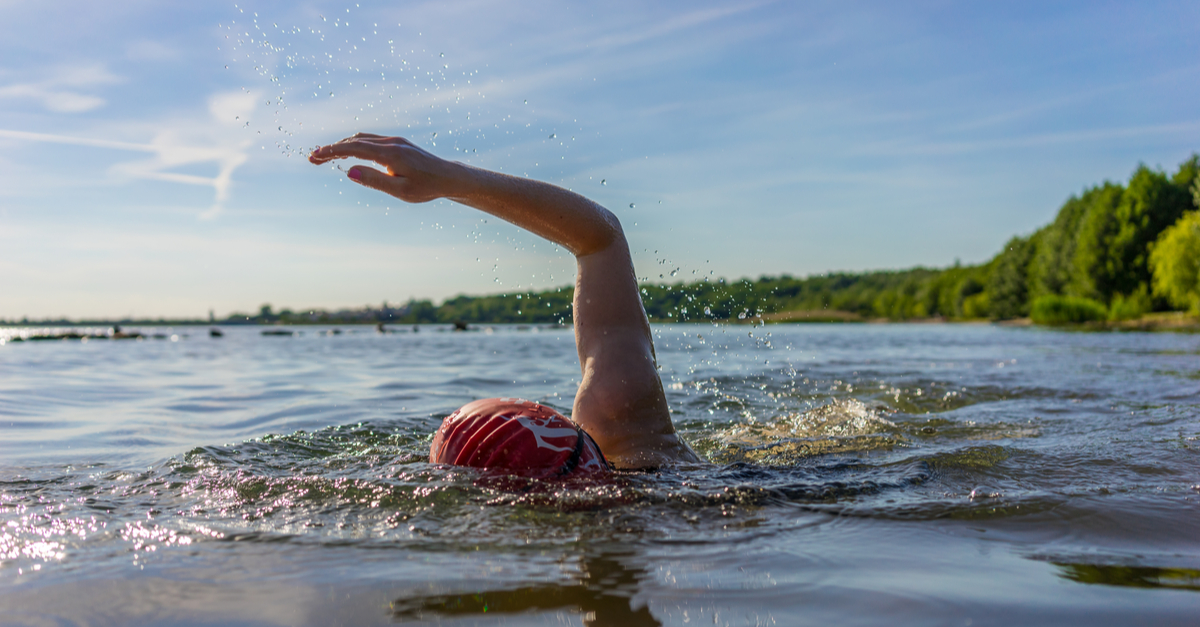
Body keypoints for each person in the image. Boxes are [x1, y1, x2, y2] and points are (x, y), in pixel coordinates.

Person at [309, 134, 699, 473]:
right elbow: (602, 238)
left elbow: (602, 241)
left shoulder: (629, 435)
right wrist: (449, 178)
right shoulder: (629, 430)